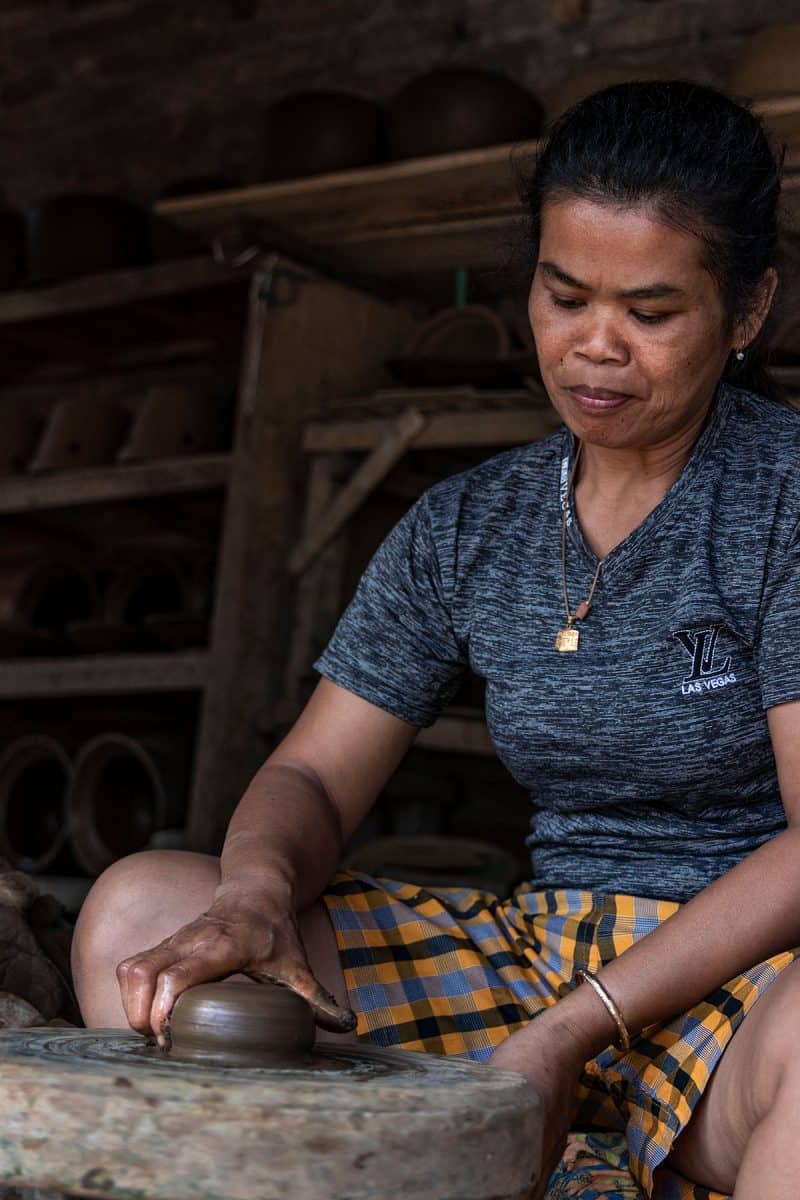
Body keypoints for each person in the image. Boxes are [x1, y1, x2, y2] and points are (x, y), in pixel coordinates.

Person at [72, 80, 800, 1200]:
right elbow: (314, 769)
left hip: (740, 991)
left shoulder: (782, 499)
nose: (592, 347)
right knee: (141, 910)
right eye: (563, 297)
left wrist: (572, 1034)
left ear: (746, 310)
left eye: (649, 314)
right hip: (527, 961)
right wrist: (254, 895)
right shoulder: (469, 524)